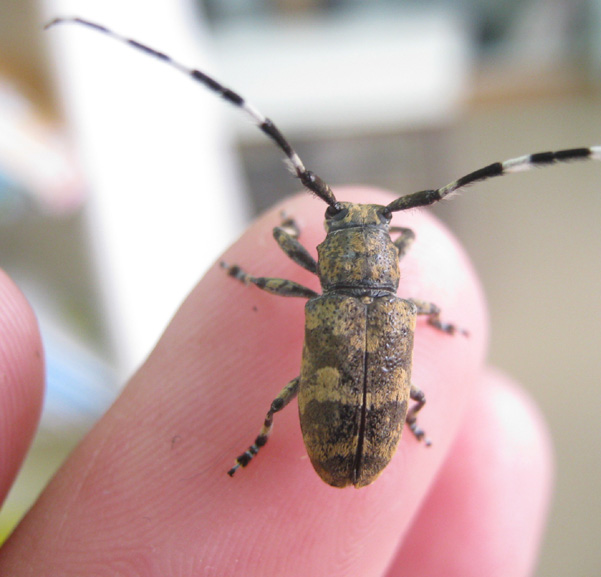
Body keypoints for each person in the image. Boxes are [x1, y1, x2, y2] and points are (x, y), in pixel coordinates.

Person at [0, 188, 552, 576]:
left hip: (339, 441)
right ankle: (410, 418)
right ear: (389, 256)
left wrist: (271, 247)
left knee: (279, 401)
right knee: (419, 394)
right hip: (360, 438)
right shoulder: (404, 310)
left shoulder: (328, 302)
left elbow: (282, 256)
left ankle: (259, 442)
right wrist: (438, 319)